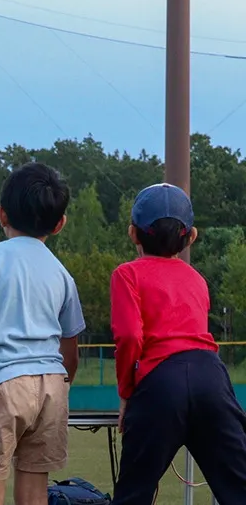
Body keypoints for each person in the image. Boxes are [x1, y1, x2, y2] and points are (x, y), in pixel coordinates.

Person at [0, 162, 86, 505]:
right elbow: (71, 352)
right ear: (60, 224)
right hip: (52, 387)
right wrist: (59, 386)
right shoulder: (63, 275)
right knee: (34, 490)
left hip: (3, 382)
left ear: (2, 214)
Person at [110, 183, 246, 505]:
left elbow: (129, 336)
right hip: (211, 376)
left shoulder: (126, 274)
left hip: (160, 382)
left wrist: (127, 392)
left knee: (133, 494)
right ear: (192, 236)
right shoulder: (197, 279)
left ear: (133, 233)